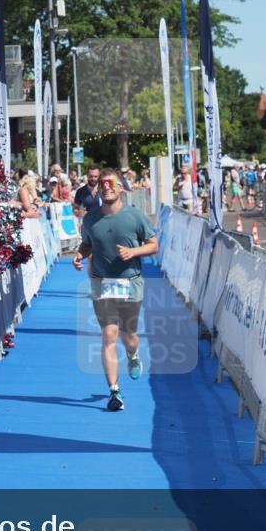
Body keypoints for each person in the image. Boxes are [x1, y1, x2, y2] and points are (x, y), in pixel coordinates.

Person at [73, 168, 158, 412]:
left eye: (112, 184)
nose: (107, 187)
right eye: (103, 184)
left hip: (130, 282)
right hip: (102, 282)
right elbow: (88, 244)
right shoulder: (90, 219)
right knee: (109, 335)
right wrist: (80, 254)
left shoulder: (134, 216)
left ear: (120, 188)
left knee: (128, 334)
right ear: (98, 188)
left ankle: (133, 355)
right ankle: (114, 391)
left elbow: (153, 245)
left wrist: (133, 252)